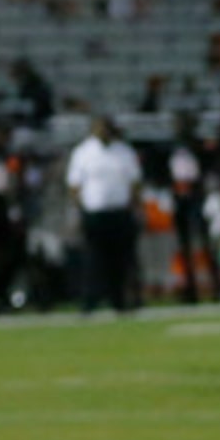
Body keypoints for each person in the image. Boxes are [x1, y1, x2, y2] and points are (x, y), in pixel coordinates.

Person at [65, 113, 143, 314]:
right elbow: (74, 185)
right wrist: (80, 210)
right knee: (93, 260)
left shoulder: (123, 152)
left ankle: (120, 301)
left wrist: (134, 207)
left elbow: (135, 182)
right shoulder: (83, 153)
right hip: (94, 213)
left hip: (119, 212)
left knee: (121, 260)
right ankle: (90, 302)